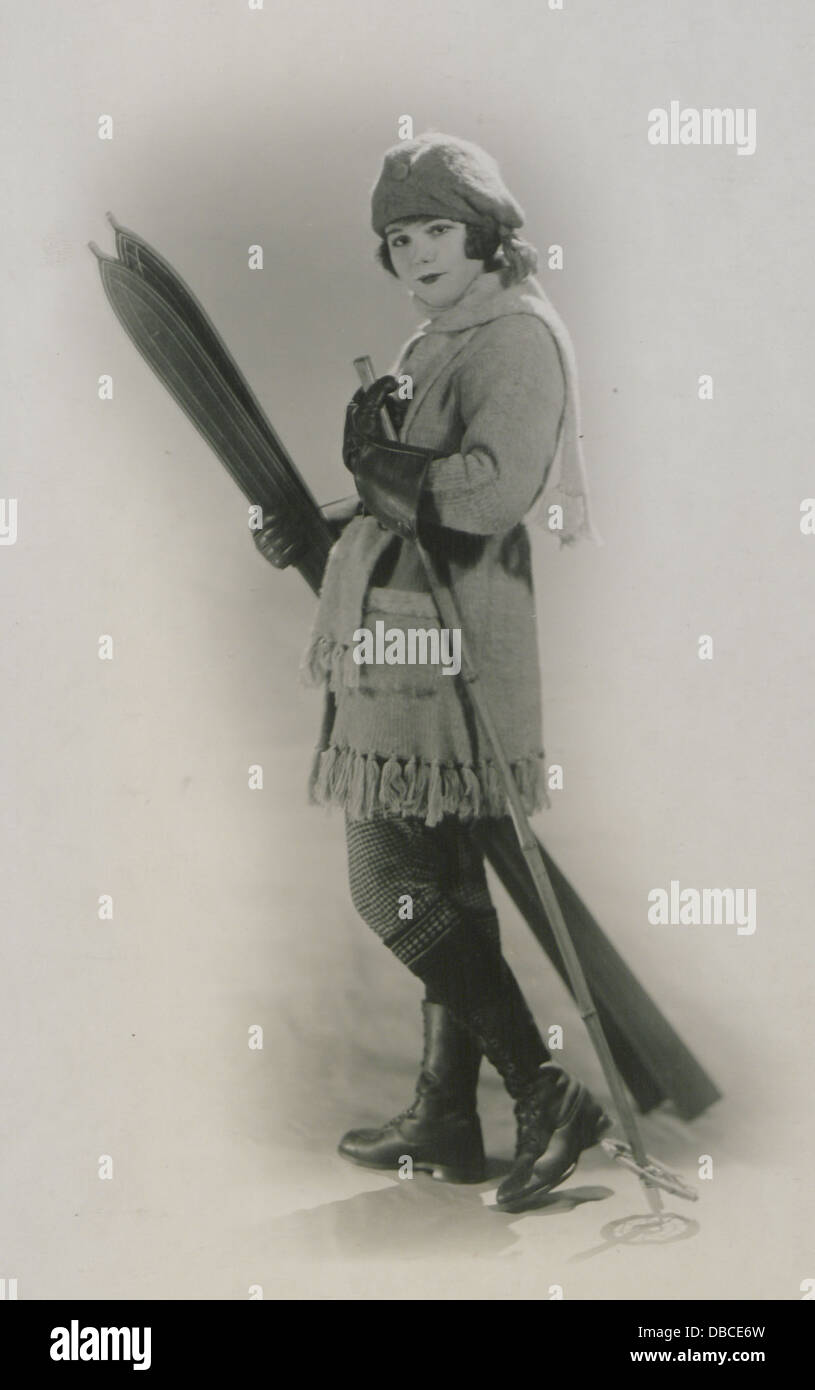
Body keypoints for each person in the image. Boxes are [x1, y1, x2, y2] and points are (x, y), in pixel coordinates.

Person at [258, 131, 609, 1210]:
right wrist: (321, 509)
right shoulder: (441, 332)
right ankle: (447, 1113)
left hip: (449, 646)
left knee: (387, 881)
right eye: (398, 238)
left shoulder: (516, 339)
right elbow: (396, 490)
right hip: (405, 636)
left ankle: (542, 1091)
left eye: (436, 231)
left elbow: (493, 489)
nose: (415, 254)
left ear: (485, 232)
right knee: (449, 883)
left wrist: (381, 465)